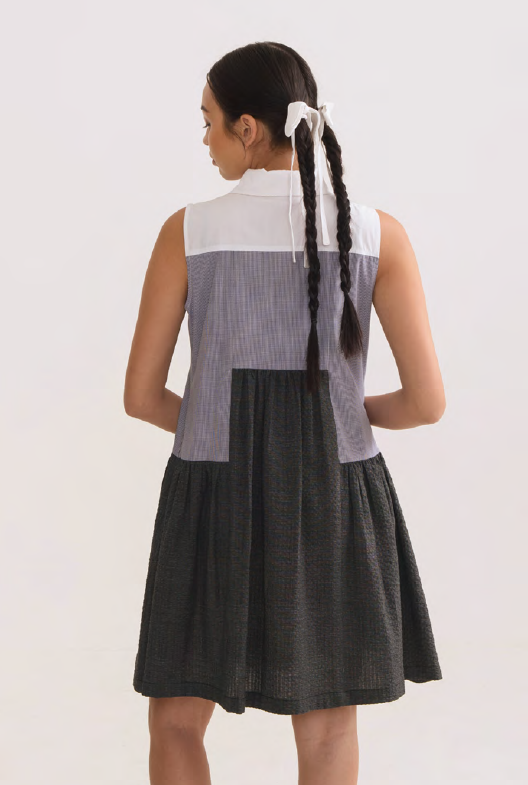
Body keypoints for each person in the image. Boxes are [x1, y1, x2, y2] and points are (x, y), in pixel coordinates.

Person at [124, 41, 445, 785]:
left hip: (211, 494)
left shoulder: (186, 232)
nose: (204, 139)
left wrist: (222, 429)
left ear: (247, 128)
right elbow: (426, 402)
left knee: (176, 720)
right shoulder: (379, 234)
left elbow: (142, 396)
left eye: (207, 121)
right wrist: (338, 417)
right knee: (329, 729)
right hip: (333, 496)